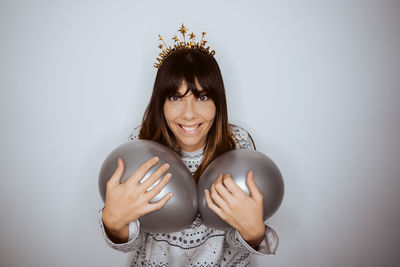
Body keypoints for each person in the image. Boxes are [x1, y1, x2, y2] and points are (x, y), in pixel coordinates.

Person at [98, 25, 279, 266]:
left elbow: (241, 237)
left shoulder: (238, 145)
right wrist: (113, 222)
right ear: (160, 103)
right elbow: (135, 239)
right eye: (175, 97)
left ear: (218, 102)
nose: (189, 114)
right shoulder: (141, 146)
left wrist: (255, 232)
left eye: (202, 97)